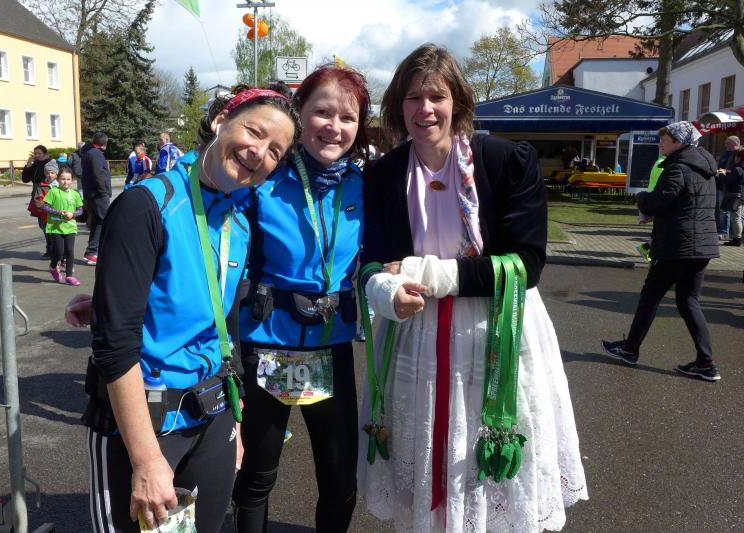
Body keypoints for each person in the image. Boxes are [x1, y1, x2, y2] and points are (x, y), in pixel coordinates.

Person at [356, 44, 588, 532]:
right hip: (415, 329)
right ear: (399, 105)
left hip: (495, 326)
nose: (425, 109)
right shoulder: (383, 173)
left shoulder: (505, 161)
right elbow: (374, 259)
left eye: (436, 96)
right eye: (413, 98)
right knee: (425, 452)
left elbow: (527, 264)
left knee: (485, 458)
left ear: (457, 101)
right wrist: (384, 292)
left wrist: (425, 272)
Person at [71, 88, 298, 533]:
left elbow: (226, 329)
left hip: (213, 417)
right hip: (145, 427)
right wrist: (145, 460)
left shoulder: (237, 222)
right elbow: (116, 345)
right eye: (255, 132)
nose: (260, 152)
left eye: (276, 151)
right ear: (220, 120)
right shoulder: (146, 204)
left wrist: (234, 422)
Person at [231, 66, 370, 533]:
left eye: (347, 117)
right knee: (257, 474)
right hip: (268, 342)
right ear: (300, 114)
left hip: (331, 344)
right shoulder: (263, 180)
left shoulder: (362, 185)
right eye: (322, 112)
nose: (334, 127)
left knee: (340, 478)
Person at [603, 121, 720, 381]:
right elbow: (684, 203)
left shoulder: (678, 167)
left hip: (677, 245)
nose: (660, 145)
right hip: (702, 244)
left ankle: (630, 349)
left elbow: (658, 202)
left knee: (651, 297)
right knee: (689, 301)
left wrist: (641, 199)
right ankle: (706, 362)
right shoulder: (705, 167)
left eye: (664, 141)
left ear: (679, 142)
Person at [41, 168, 83, 285]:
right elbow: (45, 207)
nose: (66, 181)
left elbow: (80, 210)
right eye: (63, 179)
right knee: (59, 252)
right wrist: (59, 212)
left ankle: (69, 276)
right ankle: (53, 266)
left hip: (70, 227)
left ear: (72, 180)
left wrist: (72, 214)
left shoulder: (75, 194)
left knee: (69, 251)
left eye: (68, 179)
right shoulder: (53, 192)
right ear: (58, 180)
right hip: (55, 227)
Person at [79, 132, 112, 266]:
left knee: (98, 223)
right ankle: (98, 252)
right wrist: (104, 192)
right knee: (107, 222)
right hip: (98, 195)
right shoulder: (95, 154)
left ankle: (91, 252)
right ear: (104, 144)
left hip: (92, 194)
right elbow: (98, 174)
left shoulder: (90, 153)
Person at [22, 145, 53, 256]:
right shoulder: (35, 165)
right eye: (35, 153)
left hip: (47, 195)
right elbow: (25, 179)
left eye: (39, 153)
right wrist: (28, 165)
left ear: (45, 154)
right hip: (37, 196)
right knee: (42, 224)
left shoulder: (49, 164)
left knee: (46, 224)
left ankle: (51, 249)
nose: (37, 155)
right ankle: (52, 247)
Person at [715, 136, 740, 240]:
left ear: (735, 144)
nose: (725, 145)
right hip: (723, 186)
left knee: (736, 213)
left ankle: (735, 235)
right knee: (723, 210)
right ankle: (725, 232)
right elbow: (721, 166)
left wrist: (726, 171)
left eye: (727, 143)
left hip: (735, 188)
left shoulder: (740, 154)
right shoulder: (725, 154)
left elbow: (738, 171)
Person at [721, 149, 743, 246]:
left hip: (736, 195)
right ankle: (736, 238)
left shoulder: (737, 168)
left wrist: (723, 174)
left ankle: (737, 239)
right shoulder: (741, 168)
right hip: (741, 195)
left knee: (736, 218)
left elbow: (729, 181)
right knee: (738, 217)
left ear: (738, 157)